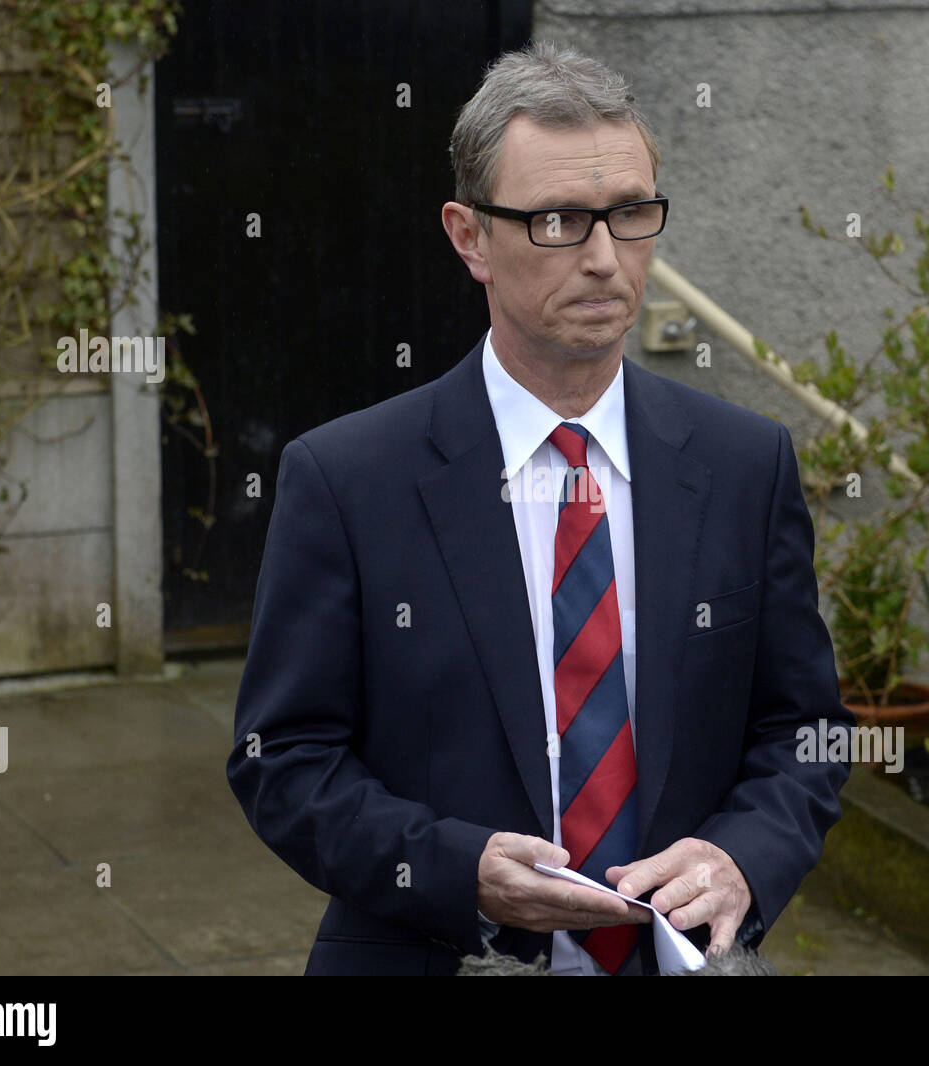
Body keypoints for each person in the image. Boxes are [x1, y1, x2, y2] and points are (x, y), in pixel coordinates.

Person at [227, 41, 854, 977]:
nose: (605, 259)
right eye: (559, 220)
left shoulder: (742, 463)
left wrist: (740, 864)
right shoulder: (348, 479)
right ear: (469, 236)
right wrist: (455, 869)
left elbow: (804, 734)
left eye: (630, 215)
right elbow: (282, 759)